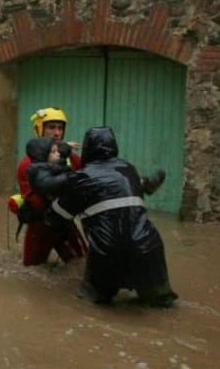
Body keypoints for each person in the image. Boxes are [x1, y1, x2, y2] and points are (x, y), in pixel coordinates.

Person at [29, 125, 176, 307]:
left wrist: (41, 213)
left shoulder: (82, 177)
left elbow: (57, 217)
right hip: (149, 247)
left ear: (88, 148)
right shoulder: (128, 168)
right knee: (161, 304)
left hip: (107, 251)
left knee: (93, 305)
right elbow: (143, 185)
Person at [15, 107, 87, 266]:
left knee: (82, 265)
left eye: (60, 128)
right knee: (31, 272)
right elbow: (37, 199)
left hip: (65, 224)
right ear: (39, 129)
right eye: (51, 127)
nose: (57, 133)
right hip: (40, 226)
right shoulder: (26, 165)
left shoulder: (72, 158)